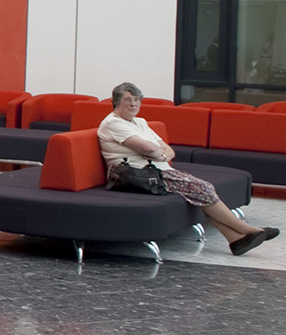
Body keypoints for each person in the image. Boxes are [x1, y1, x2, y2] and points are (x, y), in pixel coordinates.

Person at [97, 82, 278, 255]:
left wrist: (159, 154)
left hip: (157, 170)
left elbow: (168, 150)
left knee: (199, 192)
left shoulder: (141, 122)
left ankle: (236, 239)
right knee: (203, 188)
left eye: (137, 99)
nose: (134, 103)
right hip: (133, 175)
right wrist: (157, 153)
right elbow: (151, 148)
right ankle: (247, 230)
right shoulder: (113, 123)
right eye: (128, 99)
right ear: (116, 102)